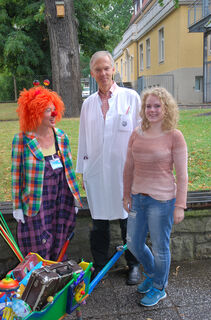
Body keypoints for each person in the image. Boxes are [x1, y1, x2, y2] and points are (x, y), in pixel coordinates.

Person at [76, 51, 141, 284]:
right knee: (99, 222)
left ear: (113, 69)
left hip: (125, 172)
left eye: (106, 68)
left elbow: (141, 135)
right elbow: (83, 138)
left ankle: (133, 265)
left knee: (128, 220)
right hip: (96, 172)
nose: (102, 73)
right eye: (97, 69)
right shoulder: (88, 104)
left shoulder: (131, 98)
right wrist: (82, 171)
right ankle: (100, 266)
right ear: (92, 73)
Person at [123, 87, 188, 306]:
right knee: (133, 243)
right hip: (137, 198)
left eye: (157, 106)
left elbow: (182, 174)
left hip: (162, 201)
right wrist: (126, 195)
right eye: (148, 106)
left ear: (166, 108)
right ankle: (151, 274)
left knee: (160, 247)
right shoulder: (136, 133)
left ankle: (159, 287)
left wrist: (180, 205)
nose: (152, 110)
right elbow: (128, 167)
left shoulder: (174, 136)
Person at [12, 83, 82, 261]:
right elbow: (16, 176)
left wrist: (74, 198)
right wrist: (17, 206)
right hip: (36, 202)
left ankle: (56, 275)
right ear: (34, 113)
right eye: (47, 110)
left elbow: (69, 170)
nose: (53, 114)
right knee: (38, 244)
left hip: (61, 199)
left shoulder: (61, 137)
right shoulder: (22, 140)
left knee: (60, 240)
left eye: (54, 109)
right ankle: (39, 279)